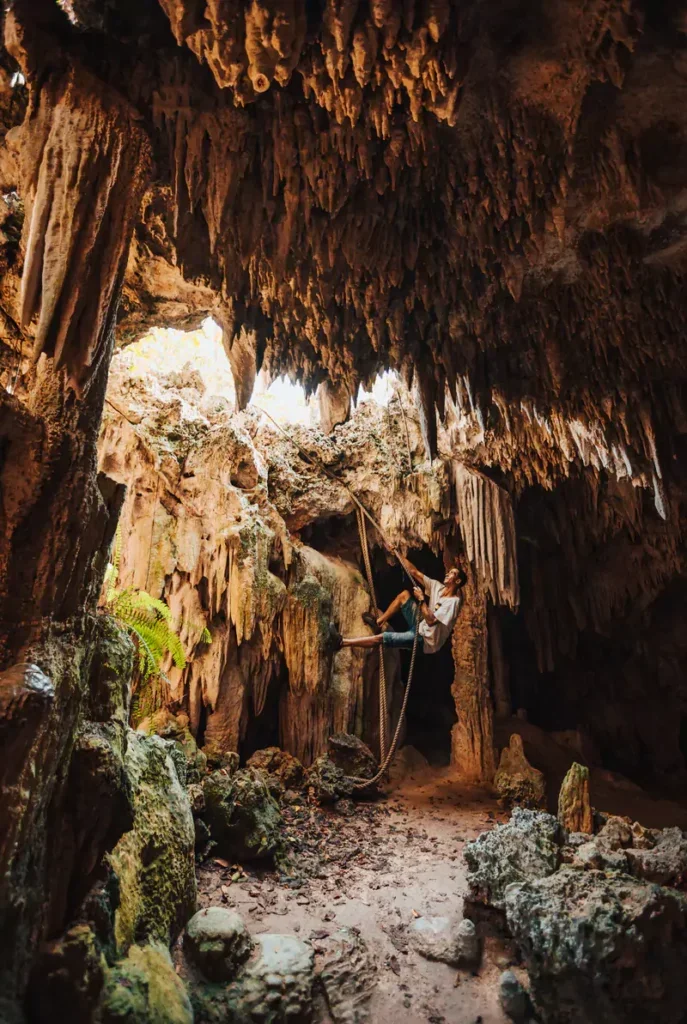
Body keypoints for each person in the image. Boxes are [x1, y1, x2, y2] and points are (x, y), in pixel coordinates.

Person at [328, 555, 467, 654]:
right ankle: (379, 622)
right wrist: (396, 552)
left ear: (458, 581)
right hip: (421, 623)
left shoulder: (453, 603)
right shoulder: (438, 587)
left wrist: (421, 600)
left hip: (425, 640)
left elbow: (431, 621)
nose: (448, 574)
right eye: (449, 572)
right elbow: (414, 572)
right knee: (404, 596)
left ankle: (341, 643)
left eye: (452, 573)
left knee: (384, 638)